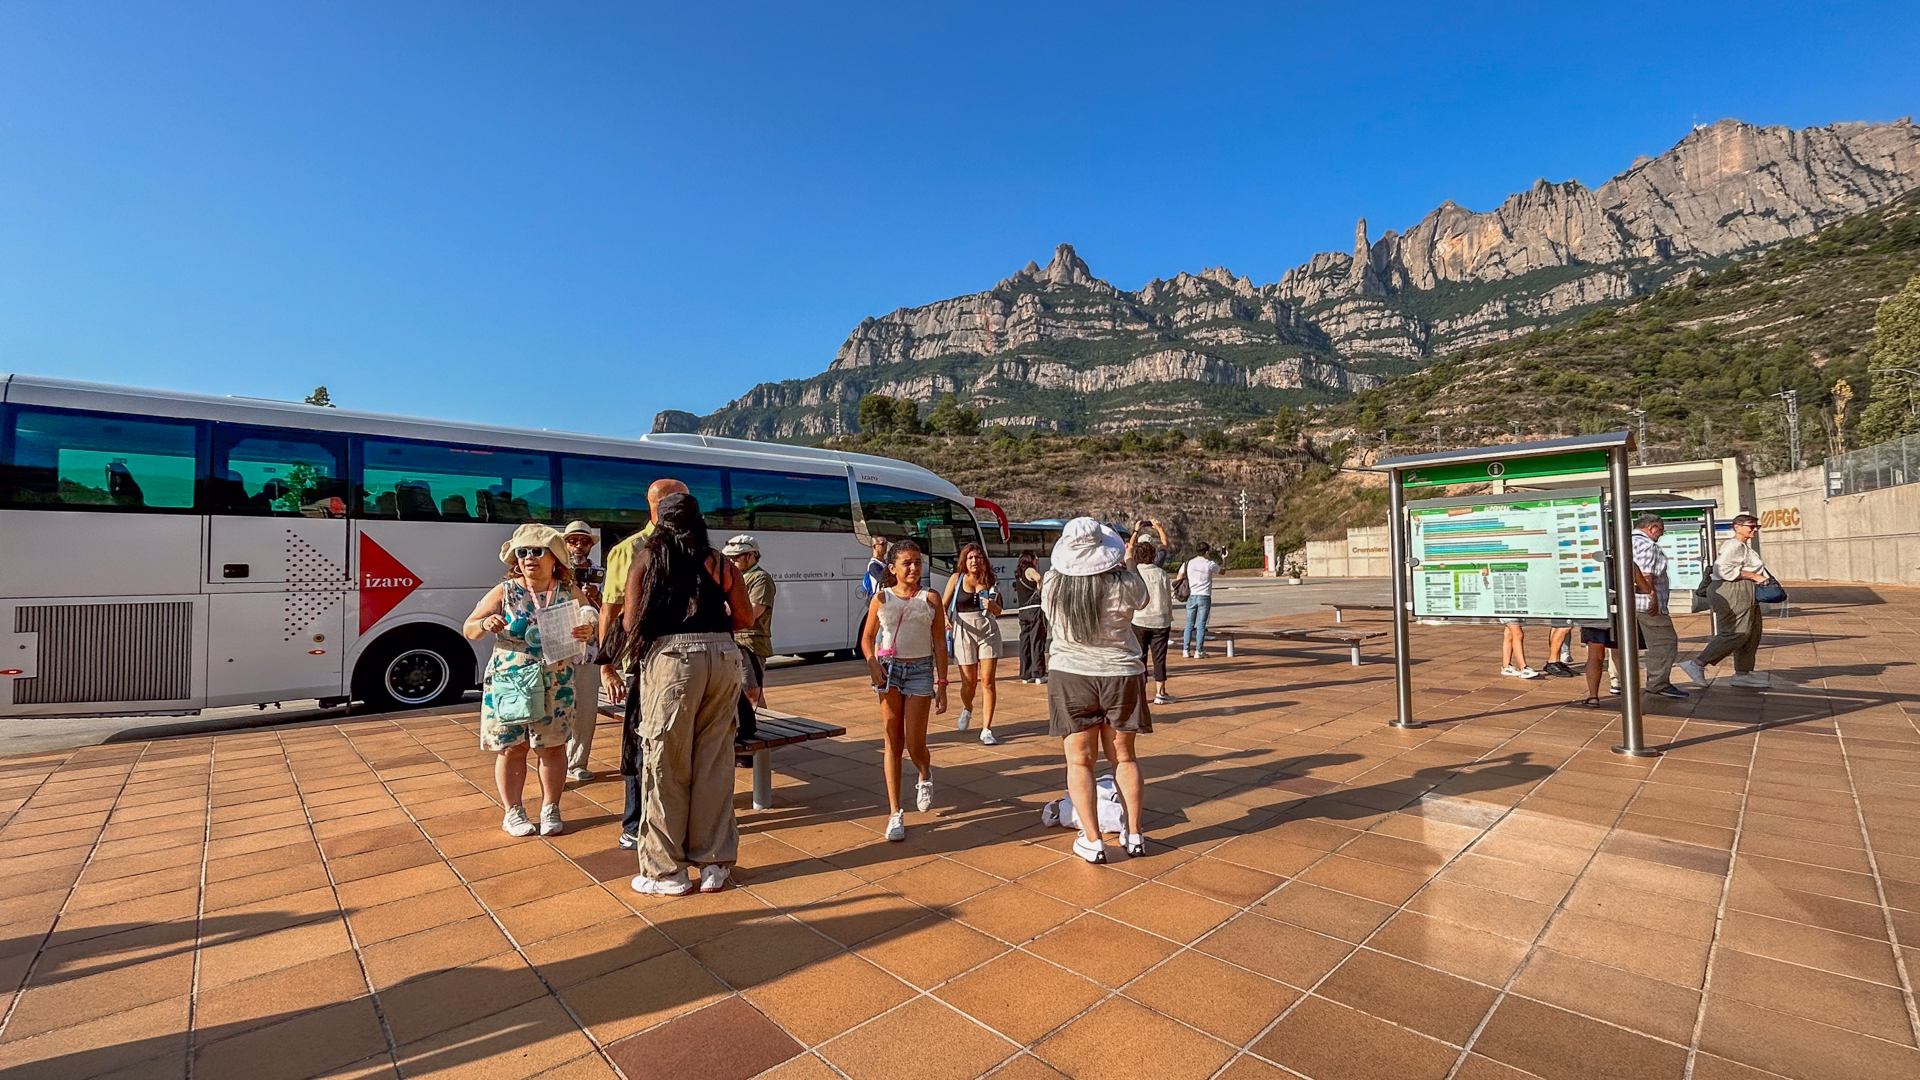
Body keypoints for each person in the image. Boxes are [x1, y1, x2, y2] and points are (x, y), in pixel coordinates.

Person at [622, 493, 754, 896]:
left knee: (666, 762)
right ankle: (714, 863)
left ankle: (667, 873)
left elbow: (630, 623)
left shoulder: (647, 559)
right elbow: (745, 616)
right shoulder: (720, 562)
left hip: (673, 660)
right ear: (699, 521)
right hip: (723, 657)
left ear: (660, 523)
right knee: (715, 760)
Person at [463, 523, 597, 837]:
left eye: (537, 552)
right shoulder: (505, 591)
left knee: (552, 747)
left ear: (554, 558)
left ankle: (551, 807)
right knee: (512, 747)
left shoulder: (566, 591)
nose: (528, 558)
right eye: (522, 552)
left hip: (555, 681)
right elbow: (469, 628)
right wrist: (485, 623)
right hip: (512, 681)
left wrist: (588, 626)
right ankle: (513, 812)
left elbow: (589, 613)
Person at [1043, 518, 1151, 863]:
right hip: (1121, 674)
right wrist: (1128, 563)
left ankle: (1093, 840)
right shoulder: (1126, 583)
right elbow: (1143, 600)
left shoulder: (1052, 583)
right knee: (1124, 757)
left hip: (1071, 675)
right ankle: (1134, 833)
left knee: (1079, 761)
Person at [603, 478, 689, 850]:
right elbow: (611, 611)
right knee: (640, 742)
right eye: (681, 499)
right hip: (643, 665)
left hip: (685, 664)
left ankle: (675, 817)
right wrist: (607, 667)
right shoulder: (629, 551)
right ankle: (634, 821)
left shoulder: (694, 546)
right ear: (661, 503)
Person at [861, 540, 950, 841]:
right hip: (889, 670)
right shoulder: (881, 598)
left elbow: (940, 644)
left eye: (917, 562)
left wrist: (942, 683)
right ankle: (895, 812)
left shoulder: (931, 598)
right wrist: (872, 662)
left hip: (920, 671)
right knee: (892, 741)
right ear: (892, 568)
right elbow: (867, 638)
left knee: (914, 743)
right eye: (907, 563)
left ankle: (924, 773)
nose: (913, 568)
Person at [1680, 514, 1772, 689]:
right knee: (1736, 631)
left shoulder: (1743, 546)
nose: (1754, 529)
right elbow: (1724, 570)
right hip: (1733, 588)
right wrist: (1754, 576)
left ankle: (1742, 673)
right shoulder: (1733, 546)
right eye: (1751, 526)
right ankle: (1698, 663)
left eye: (1756, 526)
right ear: (1737, 527)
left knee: (1752, 633)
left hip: (1744, 589)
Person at [943, 542, 1004, 745]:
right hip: (964, 629)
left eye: (977, 557)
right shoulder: (957, 578)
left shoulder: (990, 580)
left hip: (987, 629)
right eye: (970, 557)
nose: (974, 561)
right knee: (969, 683)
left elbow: (999, 611)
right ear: (964, 560)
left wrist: (993, 606)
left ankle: (987, 729)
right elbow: (943, 605)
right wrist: (945, 619)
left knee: (987, 681)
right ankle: (968, 707)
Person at [561, 520, 605, 783]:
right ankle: (554, 763)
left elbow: (611, 612)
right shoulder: (555, 572)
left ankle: (577, 762)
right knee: (557, 708)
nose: (578, 546)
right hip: (558, 649)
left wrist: (594, 599)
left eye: (584, 541)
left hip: (589, 650)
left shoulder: (601, 573)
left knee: (586, 708)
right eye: (573, 541)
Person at [1632, 513, 1687, 700]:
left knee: (1622, 645)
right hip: (1647, 605)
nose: (1661, 534)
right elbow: (1646, 574)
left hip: (1628, 603)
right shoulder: (1649, 546)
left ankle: (1618, 682)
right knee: (1664, 644)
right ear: (1652, 528)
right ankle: (1658, 683)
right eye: (1661, 530)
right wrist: (1652, 598)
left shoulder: (1624, 542)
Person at [723, 534, 776, 708]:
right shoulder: (735, 577)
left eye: (736, 556)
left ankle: (762, 723)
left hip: (749, 644)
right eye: (729, 557)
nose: (732, 560)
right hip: (732, 642)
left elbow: (751, 614)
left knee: (752, 694)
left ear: (751, 555)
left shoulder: (760, 578)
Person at [1130, 537, 1175, 705]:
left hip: (1139, 619)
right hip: (1160, 620)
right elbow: (1167, 598)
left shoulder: (1134, 573)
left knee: (1139, 657)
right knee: (1159, 658)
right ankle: (1160, 692)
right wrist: (1169, 617)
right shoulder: (1162, 573)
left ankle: (1140, 693)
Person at [1175, 542, 1220, 658]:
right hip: (1204, 595)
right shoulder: (1209, 564)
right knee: (1201, 625)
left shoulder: (1188, 563)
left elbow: (1179, 577)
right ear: (1207, 552)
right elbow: (1222, 571)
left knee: (1189, 624)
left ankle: (1186, 650)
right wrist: (1224, 560)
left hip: (1191, 595)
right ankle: (1198, 650)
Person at [1012, 550, 1048, 684]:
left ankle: (1026, 674)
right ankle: (1039, 673)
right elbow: (1038, 578)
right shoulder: (1029, 570)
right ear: (1030, 559)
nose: (1037, 561)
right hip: (1035, 610)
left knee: (1025, 642)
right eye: (1035, 558)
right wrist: (1040, 588)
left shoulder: (1019, 573)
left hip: (1023, 611)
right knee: (1037, 641)